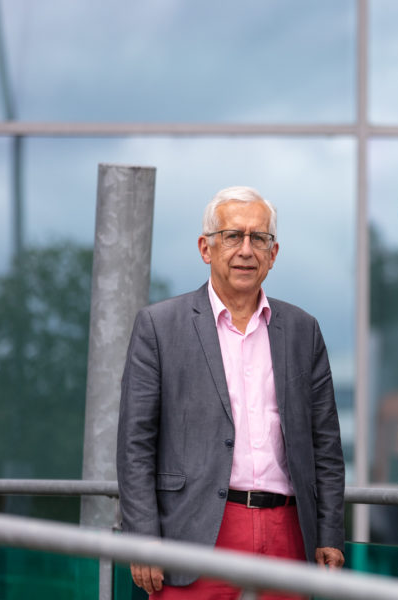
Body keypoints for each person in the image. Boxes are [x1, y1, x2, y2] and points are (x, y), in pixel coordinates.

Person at [116, 185, 345, 599]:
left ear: (273, 254)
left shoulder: (302, 330)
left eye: (259, 238)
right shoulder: (159, 326)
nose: (246, 249)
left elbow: (325, 443)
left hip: (288, 533)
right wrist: (142, 537)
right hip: (193, 532)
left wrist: (330, 533)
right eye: (232, 236)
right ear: (206, 248)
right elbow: (135, 444)